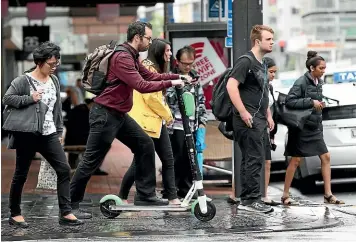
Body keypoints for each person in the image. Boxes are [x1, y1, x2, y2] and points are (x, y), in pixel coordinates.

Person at [69, 21, 190, 219]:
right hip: (105, 115)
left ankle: (145, 195)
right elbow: (141, 85)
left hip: (118, 115)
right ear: (137, 37)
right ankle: (69, 207)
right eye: (148, 38)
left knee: (144, 145)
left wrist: (178, 76)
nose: (150, 42)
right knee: (90, 161)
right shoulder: (122, 57)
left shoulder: (132, 56)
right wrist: (171, 82)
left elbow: (150, 75)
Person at [2, 41, 83, 227]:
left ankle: (66, 212)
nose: (54, 67)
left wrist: (59, 130)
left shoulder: (54, 80)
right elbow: (7, 98)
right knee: (21, 173)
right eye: (51, 64)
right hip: (27, 134)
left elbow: (56, 108)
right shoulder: (23, 80)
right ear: (39, 62)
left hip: (49, 134)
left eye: (56, 63)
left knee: (63, 169)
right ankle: (15, 213)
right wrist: (29, 98)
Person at [119, 38, 180, 205]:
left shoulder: (153, 68)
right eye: (167, 51)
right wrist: (168, 115)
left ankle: (172, 197)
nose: (169, 54)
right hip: (147, 121)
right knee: (142, 160)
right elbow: (151, 97)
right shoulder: (147, 67)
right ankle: (123, 196)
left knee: (167, 159)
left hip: (155, 121)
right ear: (159, 52)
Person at [282, 51, 344, 205]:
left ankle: (328, 194)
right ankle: (285, 195)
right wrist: (311, 102)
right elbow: (290, 101)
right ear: (312, 68)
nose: (324, 71)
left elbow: (315, 102)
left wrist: (319, 105)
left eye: (324, 68)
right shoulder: (301, 82)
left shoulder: (319, 83)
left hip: (314, 127)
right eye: (321, 68)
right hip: (301, 128)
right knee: (296, 160)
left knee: (326, 157)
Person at [226, 25, 275, 213]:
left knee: (253, 158)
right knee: (252, 158)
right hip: (247, 120)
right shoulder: (245, 61)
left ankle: (249, 199)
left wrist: (268, 114)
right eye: (268, 39)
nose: (272, 42)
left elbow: (261, 92)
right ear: (257, 41)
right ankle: (251, 200)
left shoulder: (261, 63)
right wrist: (243, 112)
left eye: (272, 39)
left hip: (259, 119)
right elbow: (232, 86)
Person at [166, 45, 208, 199]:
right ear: (177, 62)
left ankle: (187, 190)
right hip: (175, 126)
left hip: (192, 125)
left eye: (191, 63)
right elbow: (168, 99)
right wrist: (181, 85)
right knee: (176, 158)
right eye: (185, 63)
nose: (188, 66)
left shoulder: (195, 77)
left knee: (189, 159)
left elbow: (201, 102)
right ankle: (172, 191)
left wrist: (202, 123)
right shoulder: (171, 76)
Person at [64, 98, 108, 175]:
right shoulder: (85, 112)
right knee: (105, 144)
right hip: (79, 140)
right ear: (92, 104)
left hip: (70, 140)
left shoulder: (78, 109)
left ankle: (75, 166)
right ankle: (94, 168)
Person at [262, 57, 279, 205]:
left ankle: (264, 194)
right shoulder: (257, 86)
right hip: (256, 126)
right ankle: (236, 194)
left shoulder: (270, 87)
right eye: (271, 71)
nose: (273, 75)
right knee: (250, 161)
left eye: (275, 72)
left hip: (267, 130)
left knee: (267, 162)